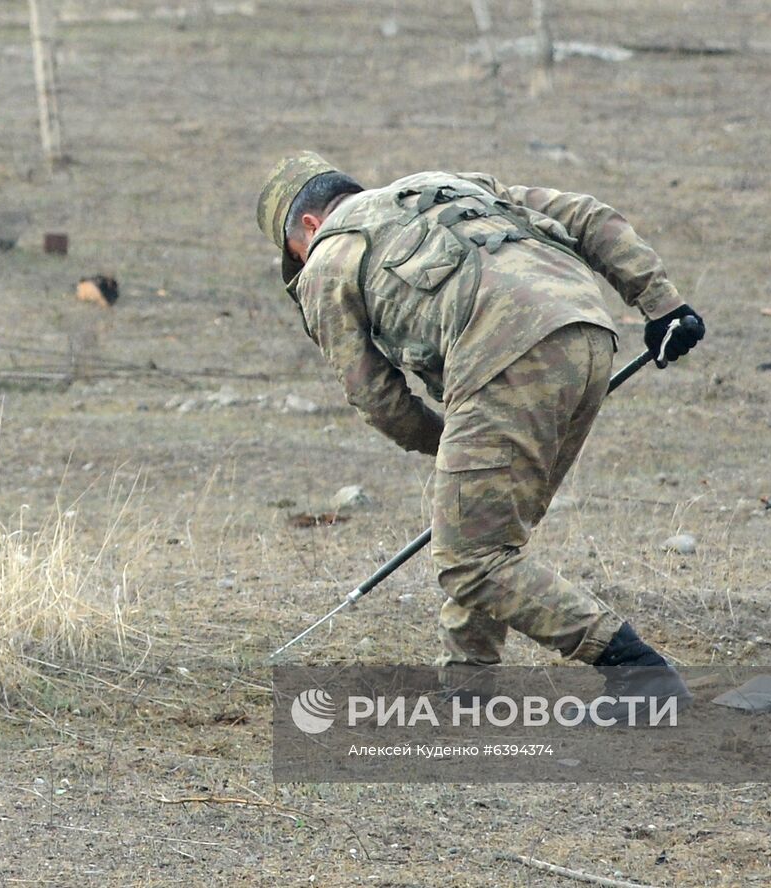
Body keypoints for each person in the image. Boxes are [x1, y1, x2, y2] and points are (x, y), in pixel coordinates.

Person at [256, 152, 705, 713]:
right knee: (488, 531)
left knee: (471, 558)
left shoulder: (327, 261)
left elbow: (374, 394)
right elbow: (588, 216)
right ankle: (469, 685)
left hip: (503, 358)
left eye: (294, 255)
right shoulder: (448, 185)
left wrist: (438, 439)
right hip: (588, 335)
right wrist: (663, 304)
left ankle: (637, 671)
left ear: (309, 226)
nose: (302, 264)